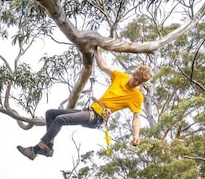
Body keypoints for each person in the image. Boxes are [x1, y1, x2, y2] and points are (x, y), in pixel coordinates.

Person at [17, 48, 153, 160]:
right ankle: (48, 148)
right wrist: (96, 49)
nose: (135, 83)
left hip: (97, 118)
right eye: (135, 78)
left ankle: (35, 150)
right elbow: (104, 66)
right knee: (51, 114)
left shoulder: (137, 96)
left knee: (60, 120)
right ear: (133, 74)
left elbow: (136, 117)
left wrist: (136, 135)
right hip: (89, 110)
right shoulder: (120, 76)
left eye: (139, 82)